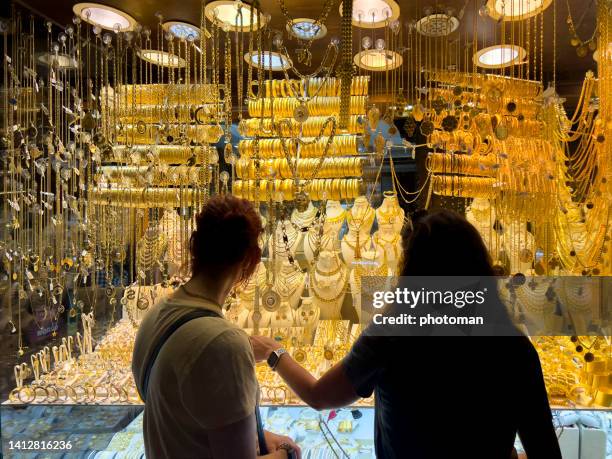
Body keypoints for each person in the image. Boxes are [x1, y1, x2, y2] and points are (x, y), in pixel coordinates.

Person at [252, 209, 561, 459]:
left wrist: (274, 353)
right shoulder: (512, 346)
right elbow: (545, 448)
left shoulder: (391, 336)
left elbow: (319, 396)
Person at [132, 195, 300, 459]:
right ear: (249, 261)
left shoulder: (155, 315)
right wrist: (287, 452)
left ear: (194, 246)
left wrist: (260, 436)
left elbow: (186, 423)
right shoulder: (224, 345)